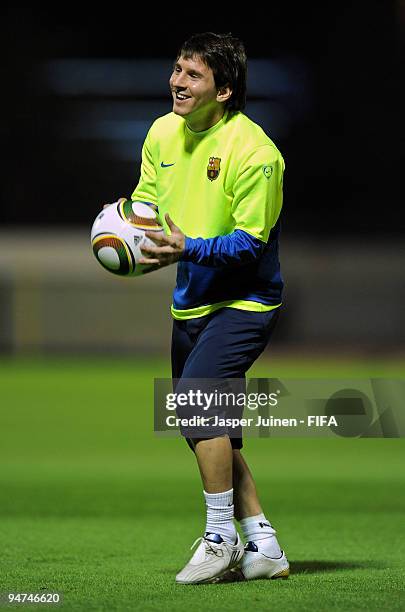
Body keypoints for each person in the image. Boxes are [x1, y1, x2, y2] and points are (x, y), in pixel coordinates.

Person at [132, 32, 289, 584]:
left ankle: (220, 537)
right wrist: (128, 231)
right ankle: (264, 545)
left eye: (193, 75)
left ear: (223, 90)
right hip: (190, 303)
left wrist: (187, 247)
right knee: (206, 427)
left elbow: (250, 242)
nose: (177, 81)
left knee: (199, 408)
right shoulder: (160, 132)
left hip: (246, 301)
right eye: (177, 69)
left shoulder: (256, 152)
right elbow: (149, 202)